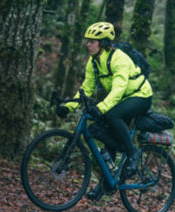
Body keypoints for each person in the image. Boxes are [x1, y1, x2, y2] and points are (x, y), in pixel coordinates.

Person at [55, 22, 153, 200]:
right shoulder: (93, 62)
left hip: (140, 95)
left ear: (104, 43)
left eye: (93, 41)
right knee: (101, 131)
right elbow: (86, 88)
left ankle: (133, 154)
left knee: (111, 115)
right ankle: (107, 183)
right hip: (122, 98)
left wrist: (101, 107)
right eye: (88, 41)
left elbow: (119, 88)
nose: (88, 44)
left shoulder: (119, 58)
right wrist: (68, 106)